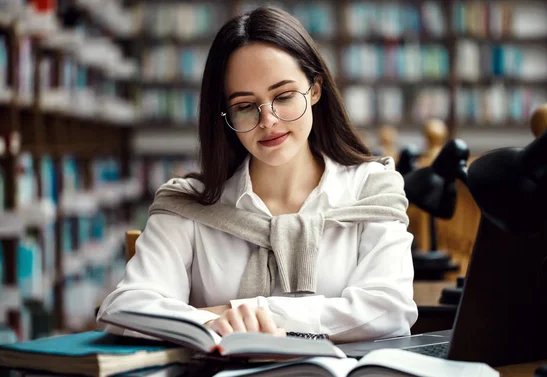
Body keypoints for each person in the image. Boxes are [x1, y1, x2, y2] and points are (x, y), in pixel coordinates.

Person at [97, 6, 417, 343]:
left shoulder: (370, 187)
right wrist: (226, 321)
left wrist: (240, 313)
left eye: (284, 96)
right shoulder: (187, 203)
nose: (268, 121)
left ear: (316, 90)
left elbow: (390, 310)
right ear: (225, 115)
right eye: (245, 106)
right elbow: (124, 309)